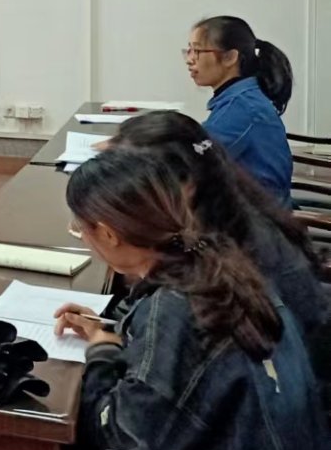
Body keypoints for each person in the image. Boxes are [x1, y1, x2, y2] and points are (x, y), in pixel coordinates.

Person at [56, 147, 331, 450]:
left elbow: (125, 441)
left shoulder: (176, 308)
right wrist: (115, 334)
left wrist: (102, 353)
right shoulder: (218, 264)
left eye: (80, 230)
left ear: (108, 233)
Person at [114, 110, 327, 344]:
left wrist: (107, 343)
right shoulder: (222, 208)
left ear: (186, 184)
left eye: (135, 189)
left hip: (290, 355)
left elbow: (185, 335)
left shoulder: (227, 245)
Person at [185, 15, 295, 204]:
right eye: (188, 50)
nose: (189, 59)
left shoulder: (243, 107)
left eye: (197, 51)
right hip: (250, 207)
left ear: (230, 57)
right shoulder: (240, 98)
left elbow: (192, 159)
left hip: (258, 216)